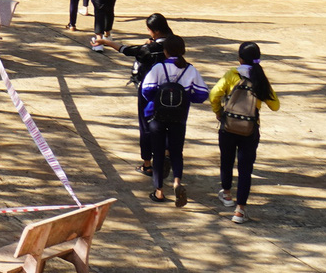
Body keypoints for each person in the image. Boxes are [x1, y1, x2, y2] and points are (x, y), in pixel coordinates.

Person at [210, 42, 279, 224]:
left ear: (239, 58)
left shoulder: (232, 74)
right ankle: (240, 210)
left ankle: (226, 194)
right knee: (245, 168)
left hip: (228, 126)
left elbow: (214, 94)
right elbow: (275, 105)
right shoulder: (260, 78)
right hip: (250, 129)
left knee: (226, 159)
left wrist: (219, 112)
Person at [140, 43, 209, 206]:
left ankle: (159, 191)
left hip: (157, 116)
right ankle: (177, 182)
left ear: (165, 51)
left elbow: (146, 90)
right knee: (176, 152)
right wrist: (185, 99)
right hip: (179, 117)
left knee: (158, 153)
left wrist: (158, 99)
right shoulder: (190, 69)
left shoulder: (159, 67)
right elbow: (202, 94)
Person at [110, 14, 178, 178]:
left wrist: (107, 42)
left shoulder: (149, 49)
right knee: (168, 125)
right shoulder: (174, 43)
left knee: (147, 126)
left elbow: (128, 50)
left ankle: (147, 164)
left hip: (149, 92)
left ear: (154, 31)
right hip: (171, 92)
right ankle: (168, 153)